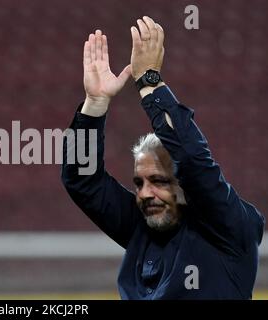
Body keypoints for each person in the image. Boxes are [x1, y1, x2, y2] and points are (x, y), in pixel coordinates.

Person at [61, 16, 265, 299]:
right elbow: (83, 182)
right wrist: (94, 105)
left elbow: (193, 160)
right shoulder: (143, 227)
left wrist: (149, 82)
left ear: (186, 184)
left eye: (158, 181)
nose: (146, 193)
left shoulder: (230, 229)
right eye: (139, 183)